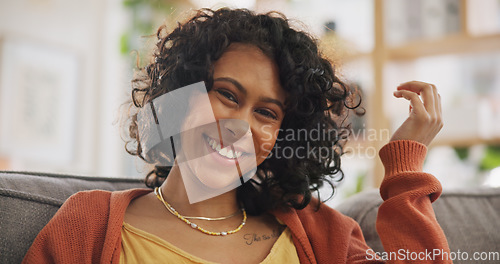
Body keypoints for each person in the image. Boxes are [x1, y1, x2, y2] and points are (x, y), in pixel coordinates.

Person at [23, 8, 450, 264]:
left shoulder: (322, 236)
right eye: (227, 95)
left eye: (266, 112)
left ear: (281, 135)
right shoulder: (89, 223)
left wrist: (404, 166)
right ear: (181, 97)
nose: (241, 126)